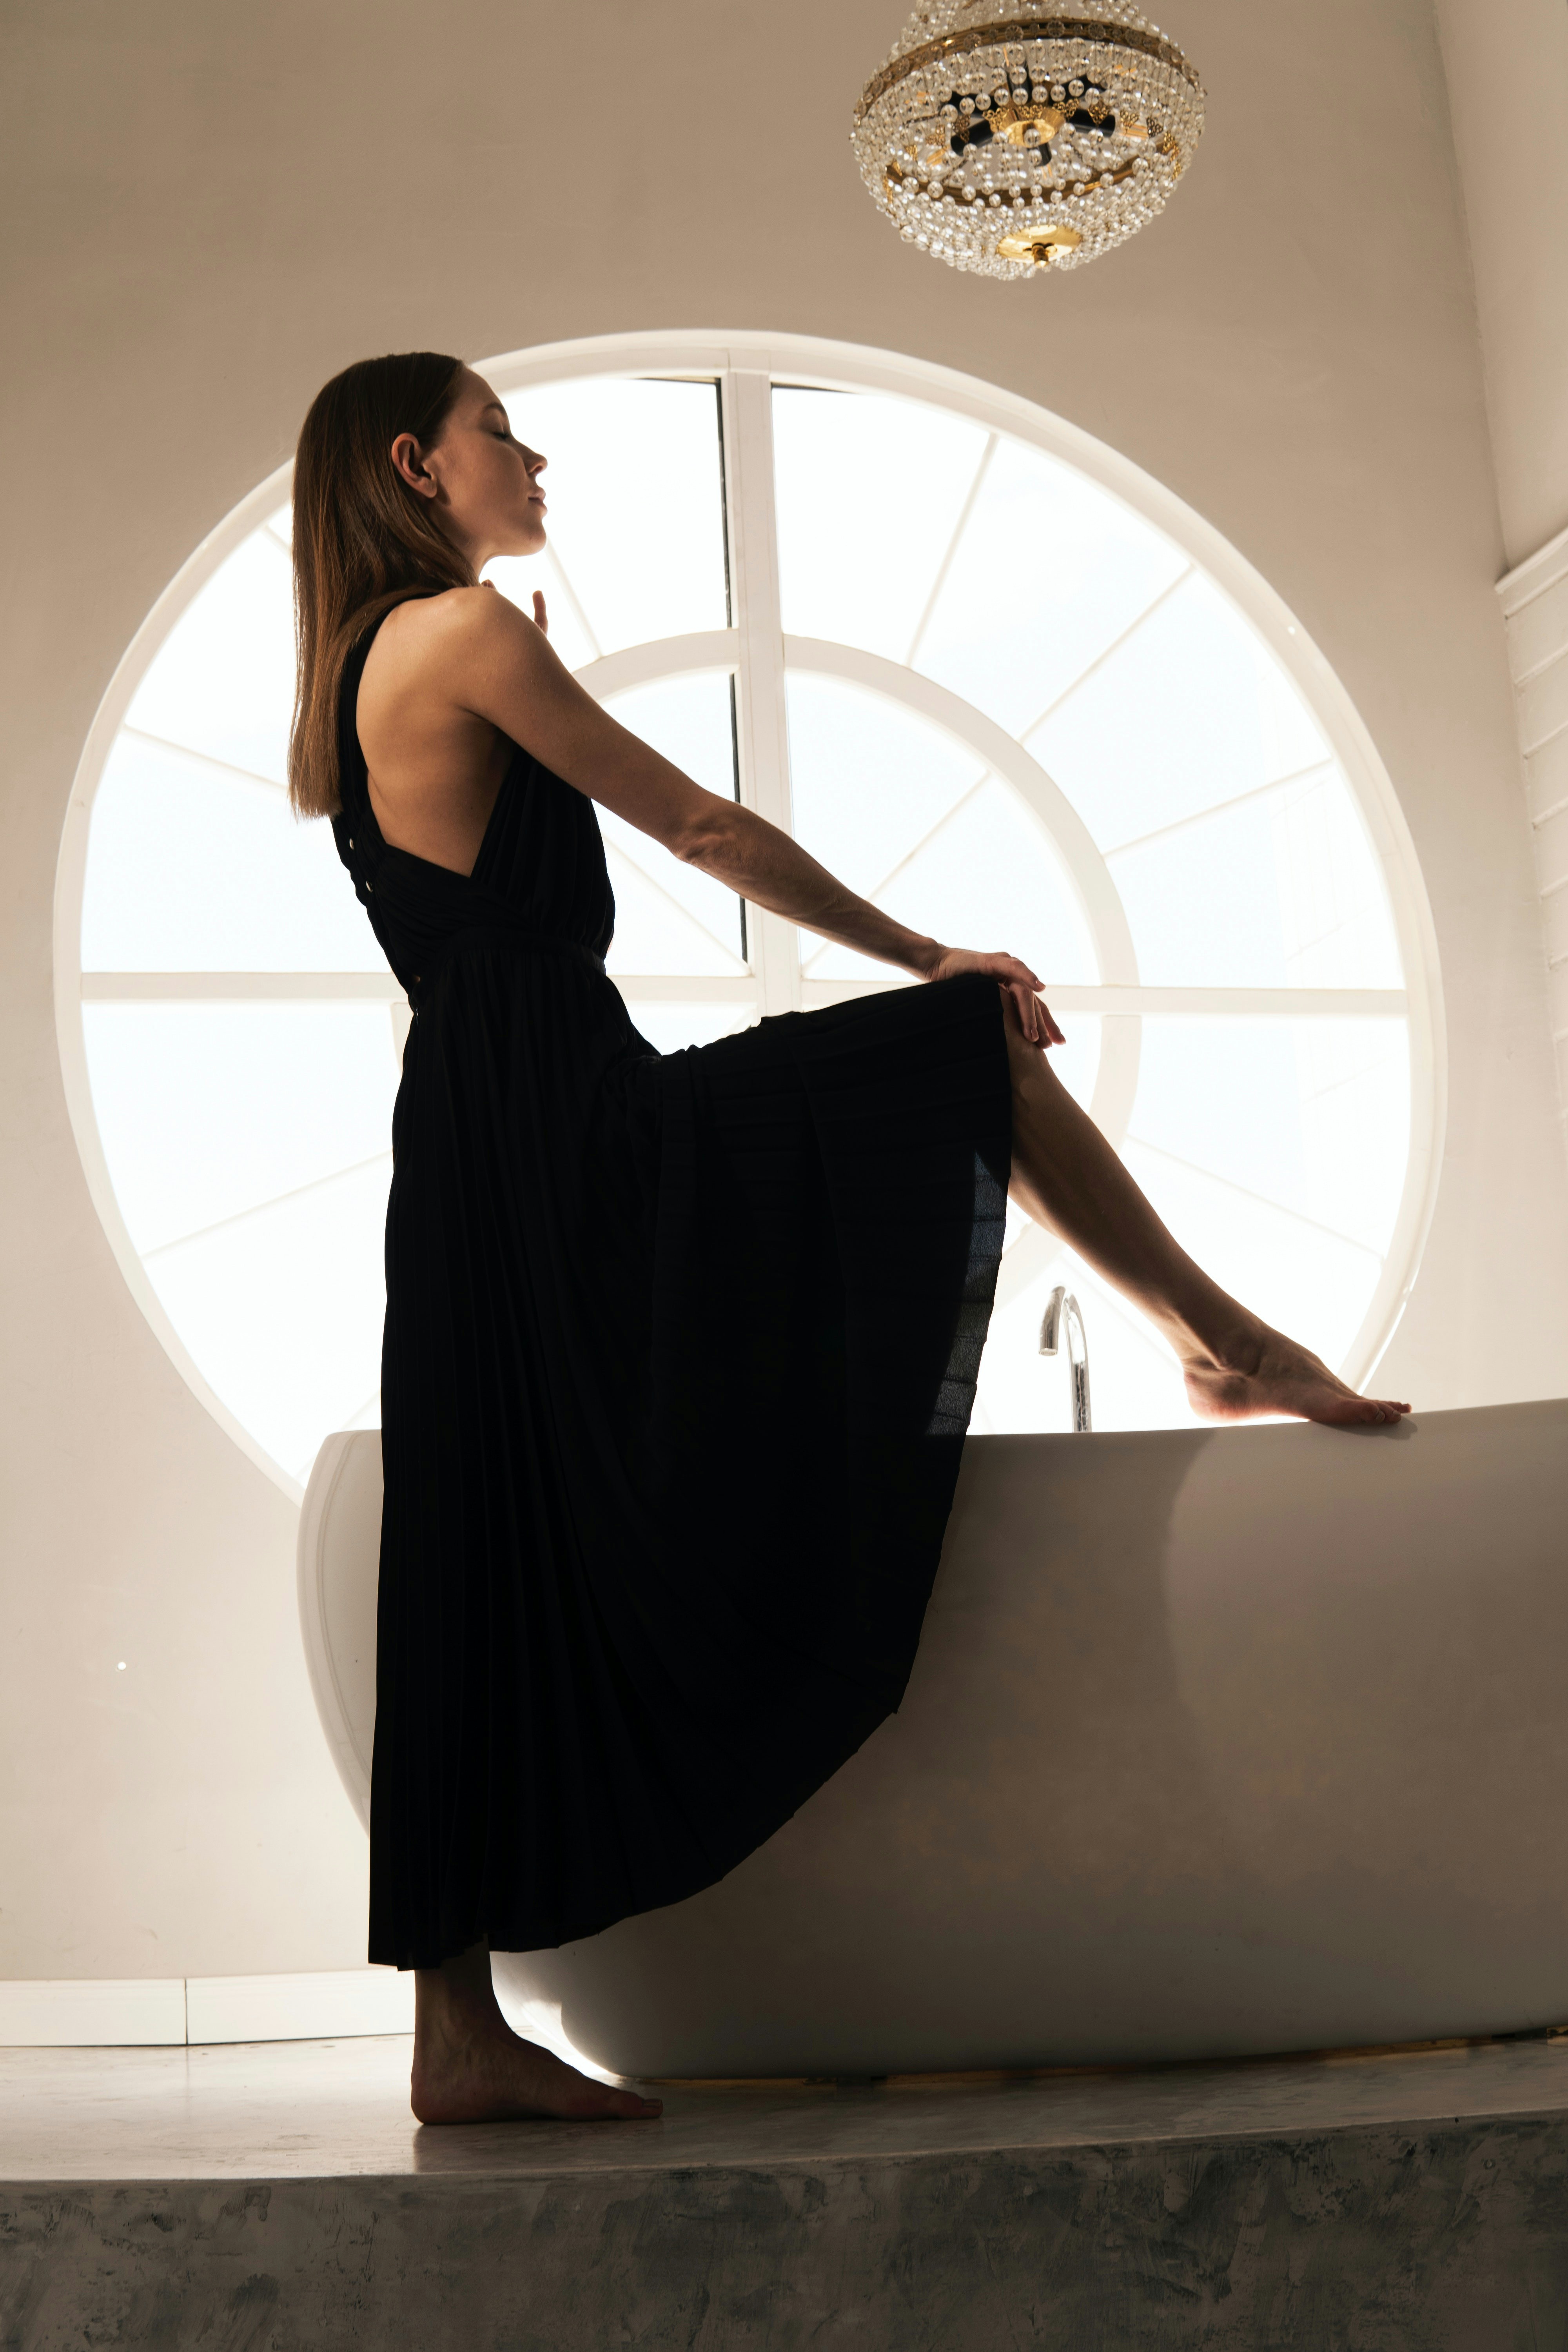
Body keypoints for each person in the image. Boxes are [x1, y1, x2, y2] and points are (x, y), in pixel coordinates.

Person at [288, 350, 1410, 2128]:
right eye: (503, 429)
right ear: (418, 464)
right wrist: (928, 956)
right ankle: (1214, 1336)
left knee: (478, 1543)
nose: (535, 452)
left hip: (477, 1147)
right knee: (953, 1044)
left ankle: (457, 2032)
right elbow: (705, 824)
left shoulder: (355, 674)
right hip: (566, 1133)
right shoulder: (468, 635)